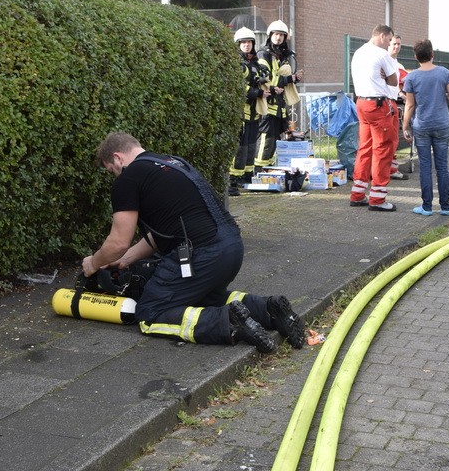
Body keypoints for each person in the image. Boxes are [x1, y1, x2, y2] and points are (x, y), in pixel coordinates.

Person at [83, 132, 306, 353]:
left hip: (200, 254)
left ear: (118, 157)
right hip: (231, 247)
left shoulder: (129, 178)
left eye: (111, 170)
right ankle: (268, 309)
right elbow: (163, 233)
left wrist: (93, 263)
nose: (115, 176)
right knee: (199, 296)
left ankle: (228, 322)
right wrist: (125, 260)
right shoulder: (173, 163)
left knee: (150, 312)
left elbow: (118, 242)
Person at [402, 39, 449, 217]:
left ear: (416, 57)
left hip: (422, 126)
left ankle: (426, 207)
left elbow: (410, 105)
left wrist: (405, 126)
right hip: (441, 124)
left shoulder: (411, 77)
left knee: (425, 167)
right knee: (442, 166)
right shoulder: (443, 73)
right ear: (432, 54)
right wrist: (442, 95)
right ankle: (445, 206)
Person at [349, 24, 400, 211]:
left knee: (365, 148)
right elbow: (394, 81)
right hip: (378, 105)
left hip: (361, 103)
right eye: (388, 40)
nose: (389, 44)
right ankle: (377, 199)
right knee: (382, 149)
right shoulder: (381, 54)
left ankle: (358, 193)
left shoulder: (358, 53)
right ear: (381, 36)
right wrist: (386, 77)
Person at [255, 20, 302, 170]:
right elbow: (266, 78)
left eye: (282, 35)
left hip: (278, 105)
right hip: (267, 104)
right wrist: (290, 79)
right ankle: (258, 169)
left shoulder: (282, 55)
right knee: (265, 138)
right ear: (270, 35)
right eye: (276, 34)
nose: (279, 38)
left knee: (274, 138)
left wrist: (293, 78)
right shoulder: (264, 54)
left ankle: (267, 168)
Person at [231, 27, 267, 195]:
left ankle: (246, 175)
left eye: (249, 42)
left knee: (251, 144)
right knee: (241, 145)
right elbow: (239, 86)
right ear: (238, 44)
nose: (246, 45)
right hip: (241, 110)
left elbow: (260, 80)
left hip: (254, 111)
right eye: (243, 42)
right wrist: (257, 92)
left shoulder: (255, 63)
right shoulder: (237, 63)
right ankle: (233, 180)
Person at [387, 34, 410, 181]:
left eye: (399, 44)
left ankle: (391, 168)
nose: (396, 47)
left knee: (392, 139)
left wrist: (401, 93)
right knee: (388, 139)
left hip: (392, 104)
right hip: (386, 104)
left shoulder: (398, 65)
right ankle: (388, 169)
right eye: (394, 44)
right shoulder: (385, 61)